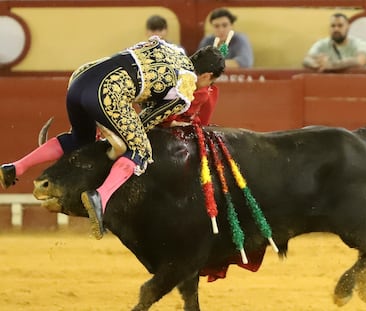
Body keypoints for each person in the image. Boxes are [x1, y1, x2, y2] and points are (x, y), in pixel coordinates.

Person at [0, 36, 225, 240]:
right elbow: (145, 121)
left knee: (79, 139)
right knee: (140, 150)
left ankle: (15, 167)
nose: (207, 86)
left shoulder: (167, 47)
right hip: (107, 93)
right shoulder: (185, 87)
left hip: (81, 79)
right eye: (210, 82)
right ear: (206, 76)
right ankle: (100, 197)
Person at [302, 13, 366, 72]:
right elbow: (306, 59)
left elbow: (361, 61)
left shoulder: (360, 43)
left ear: (348, 27)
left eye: (340, 25)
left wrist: (331, 65)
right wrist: (316, 64)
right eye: (333, 26)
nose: (336, 29)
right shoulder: (322, 44)